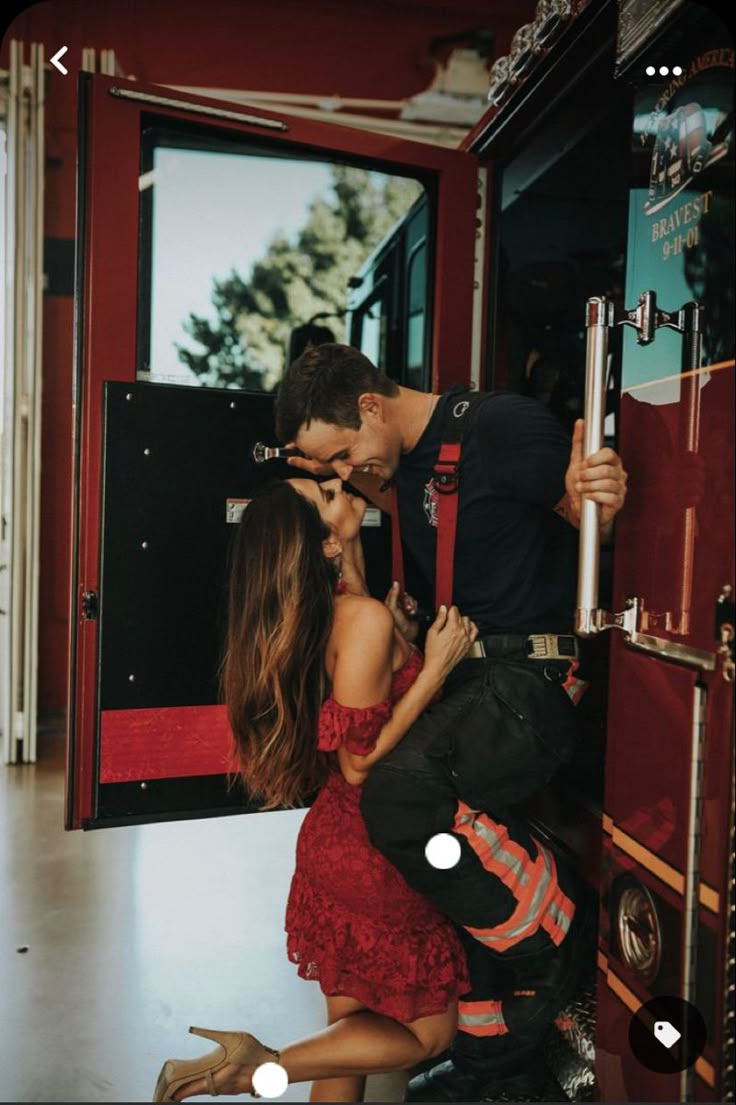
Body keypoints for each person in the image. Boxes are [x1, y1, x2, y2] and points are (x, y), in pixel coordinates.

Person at [273, 343, 628, 1102]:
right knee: (443, 879)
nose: (342, 475)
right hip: (468, 687)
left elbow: (585, 515)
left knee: (399, 797)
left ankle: (558, 927)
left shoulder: (503, 428)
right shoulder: (395, 467)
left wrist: (596, 491)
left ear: (370, 406)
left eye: (341, 455)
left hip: (530, 681)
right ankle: (492, 1067)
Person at [153, 476, 478, 1104]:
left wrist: (359, 563)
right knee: (430, 1033)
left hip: (337, 845)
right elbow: (360, 763)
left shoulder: (312, 613)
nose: (341, 485)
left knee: (348, 1043)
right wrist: (435, 665)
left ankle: (257, 1065)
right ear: (319, 541)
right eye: (325, 493)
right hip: (376, 850)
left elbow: (360, 627)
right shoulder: (359, 620)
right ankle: (253, 1067)